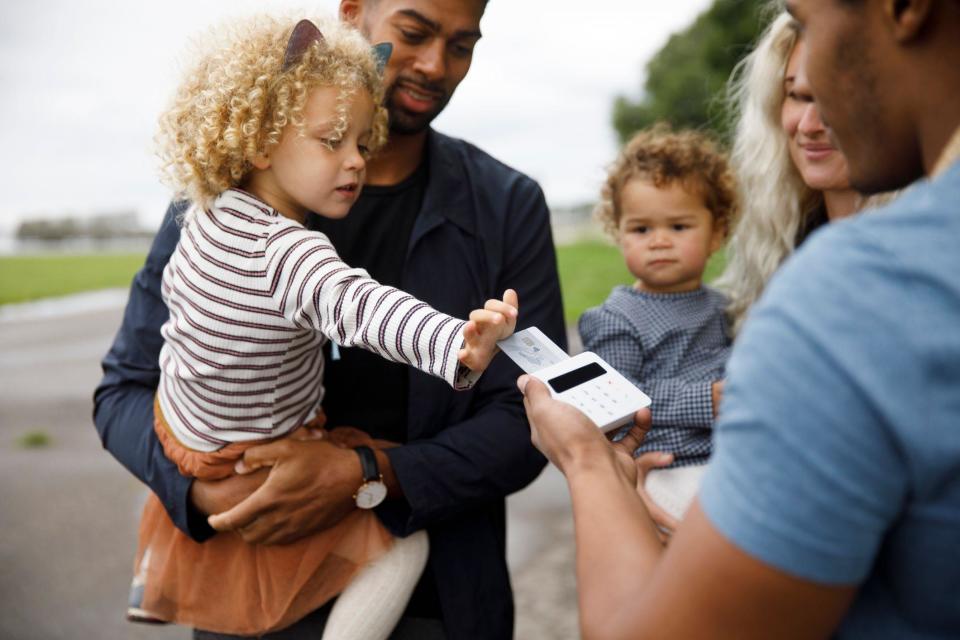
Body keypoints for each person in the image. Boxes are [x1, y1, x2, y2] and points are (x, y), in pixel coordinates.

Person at [94, 1, 566, 638]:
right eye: (414, 32)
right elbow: (123, 388)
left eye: (461, 44)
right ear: (353, 13)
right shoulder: (213, 206)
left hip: (441, 602)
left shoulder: (507, 205)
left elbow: (527, 417)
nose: (435, 64)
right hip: (249, 573)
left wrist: (364, 474)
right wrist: (212, 494)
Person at [518, 0, 960, 636]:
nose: (812, 110)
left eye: (806, 22)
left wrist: (587, 460)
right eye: (790, 93)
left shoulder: (860, 291)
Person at [578, 126, 736, 519]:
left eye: (678, 227)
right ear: (619, 232)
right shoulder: (617, 318)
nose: (659, 240)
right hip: (666, 468)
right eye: (641, 229)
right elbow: (614, 402)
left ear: (717, 232)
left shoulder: (728, 308)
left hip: (734, 457)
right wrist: (707, 400)